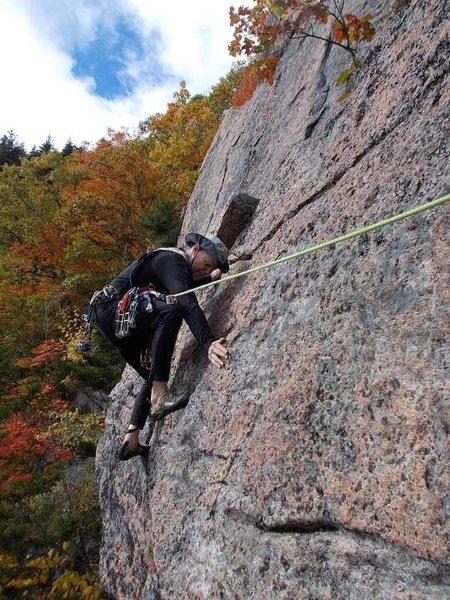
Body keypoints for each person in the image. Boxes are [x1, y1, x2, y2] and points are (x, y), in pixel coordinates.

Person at [94, 232, 230, 460]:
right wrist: (208, 342)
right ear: (195, 250)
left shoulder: (176, 269)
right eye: (206, 264)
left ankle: (132, 436)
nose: (205, 270)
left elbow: (186, 284)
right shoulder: (172, 259)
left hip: (115, 321)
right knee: (172, 310)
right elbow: (186, 300)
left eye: (210, 268)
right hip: (115, 309)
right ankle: (160, 397)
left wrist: (210, 278)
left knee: (154, 369)